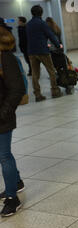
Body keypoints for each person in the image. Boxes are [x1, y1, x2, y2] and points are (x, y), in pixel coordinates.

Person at [0, 26, 26, 217]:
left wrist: (4, 112)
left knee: (3, 155)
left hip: (3, 116)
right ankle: (16, 182)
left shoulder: (6, 59)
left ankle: (12, 198)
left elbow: (17, 90)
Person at [26, 5, 63, 102]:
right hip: (43, 51)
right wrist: (58, 45)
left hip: (31, 52)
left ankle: (38, 95)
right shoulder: (42, 23)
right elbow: (51, 35)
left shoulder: (28, 24)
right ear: (41, 13)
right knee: (51, 71)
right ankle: (55, 91)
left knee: (35, 74)